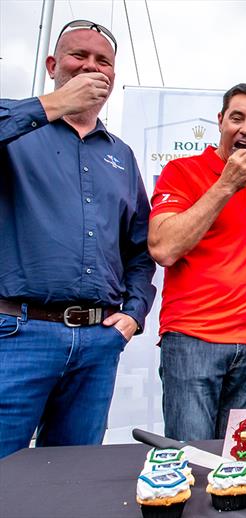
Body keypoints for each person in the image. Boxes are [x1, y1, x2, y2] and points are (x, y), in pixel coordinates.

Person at [0, 20, 156, 458]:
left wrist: (134, 313)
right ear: (53, 65)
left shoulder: (120, 155)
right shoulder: (15, 131)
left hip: (97, 343)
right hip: (18, 334)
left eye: (102, 61)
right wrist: (50, 105)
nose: (91, 66)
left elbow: (140, 249)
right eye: (78, 56)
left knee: (75, 473)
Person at [148, 83, 246, 440]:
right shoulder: (181, 171)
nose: (245, 129)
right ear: (220, 121)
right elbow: (164, 248)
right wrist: (225, 185)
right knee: (192, 460)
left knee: (239, 463)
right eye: (237, 118)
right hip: (193, 341)